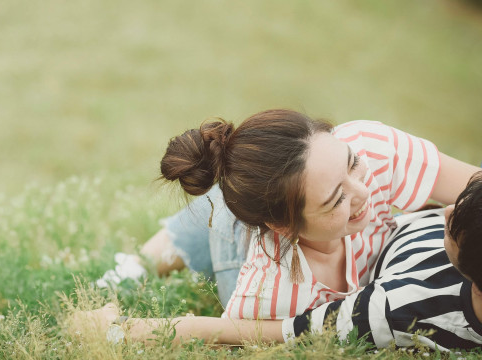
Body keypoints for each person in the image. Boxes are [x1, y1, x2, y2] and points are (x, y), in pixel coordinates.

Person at [96, 110, 480, 319]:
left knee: (254, 188)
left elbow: (476, 188)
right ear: (284, 226)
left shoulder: (374, 149)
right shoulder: (267, 291)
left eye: (352, 164)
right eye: (336, 200)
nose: (365, 191)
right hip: (248, 251)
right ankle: (134, 268)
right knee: (225, 213)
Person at [73, 173, 482, 350]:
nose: (447, 212)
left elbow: (262, 333)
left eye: (453, 226)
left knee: (248, 192)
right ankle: (134, 267)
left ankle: (131, 272)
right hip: (351, 250)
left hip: (294, 294)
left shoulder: (395, 308)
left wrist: (118, 333)